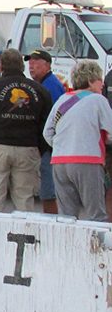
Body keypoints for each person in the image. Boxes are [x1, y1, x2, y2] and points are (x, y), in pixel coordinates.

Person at [0, 48, 52, 212]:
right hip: (28, 148)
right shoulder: (40, 90)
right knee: (24, 200)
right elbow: (47, 125)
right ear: (22, 66)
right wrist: (39, 148)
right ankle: (24, 235)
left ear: (1, 66)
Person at [42, 60, 112, 221]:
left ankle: (66, 245)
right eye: (99, 79)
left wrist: (62, 145)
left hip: (59, 161)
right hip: (87, 160)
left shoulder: (62, 100)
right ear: (90, 81)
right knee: (96, 215)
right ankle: (95, 246)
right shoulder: (98, 100)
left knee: (67, 215)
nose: (102, 83)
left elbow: (47, 133)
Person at [26, 49, 66, 214]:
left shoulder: (51, 86)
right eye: (30, 62)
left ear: (47, 65)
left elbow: (56, 119)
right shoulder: (45, 84)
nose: (31, 66)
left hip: (50, 147)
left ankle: (52, 222)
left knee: (49, 192)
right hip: (48, 146)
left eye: (36, 62)